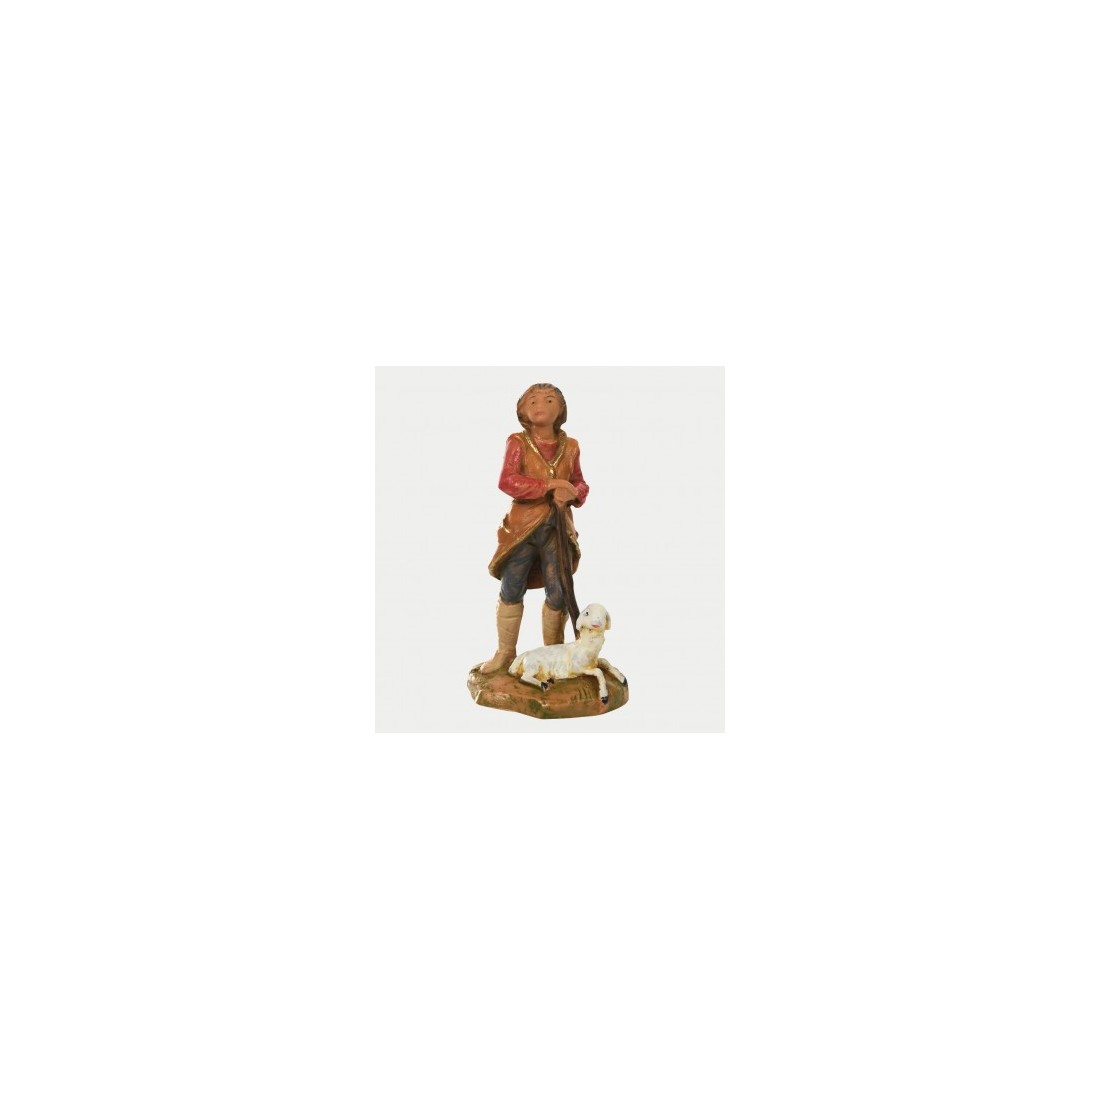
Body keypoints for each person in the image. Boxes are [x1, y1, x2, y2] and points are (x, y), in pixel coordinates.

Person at [479, 383, 589, 674]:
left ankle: (554, 654)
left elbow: (580, 482)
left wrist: (573, 493)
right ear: (522, 410)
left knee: (559, 590)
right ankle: (505, 653)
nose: (541, 404)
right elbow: (508, 481)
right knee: (512, 586)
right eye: (533, 400)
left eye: (550, 400)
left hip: (557, 530)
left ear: (561, 410)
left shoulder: (571, 446)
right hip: (521, 530)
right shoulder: (518, 442)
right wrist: (550, 485)